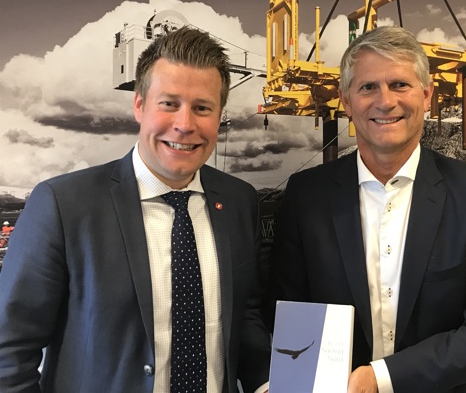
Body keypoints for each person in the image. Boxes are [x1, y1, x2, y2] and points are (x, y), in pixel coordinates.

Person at [0, 27, 271, 392]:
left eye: (202, 108)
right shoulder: (63, 205)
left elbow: (244, 315)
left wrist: (268, 382)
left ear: (219, 114)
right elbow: (9, 349)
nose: (185, 124)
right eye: (169, 104)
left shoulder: (239, 201)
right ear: (140, 105)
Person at [268, 26, 466, 393]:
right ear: (346, 100)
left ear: (427, 94)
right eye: (368, 87)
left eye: (399, 85)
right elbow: (289, 315)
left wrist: (379, 378)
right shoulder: (306, 197)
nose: (385, 101)